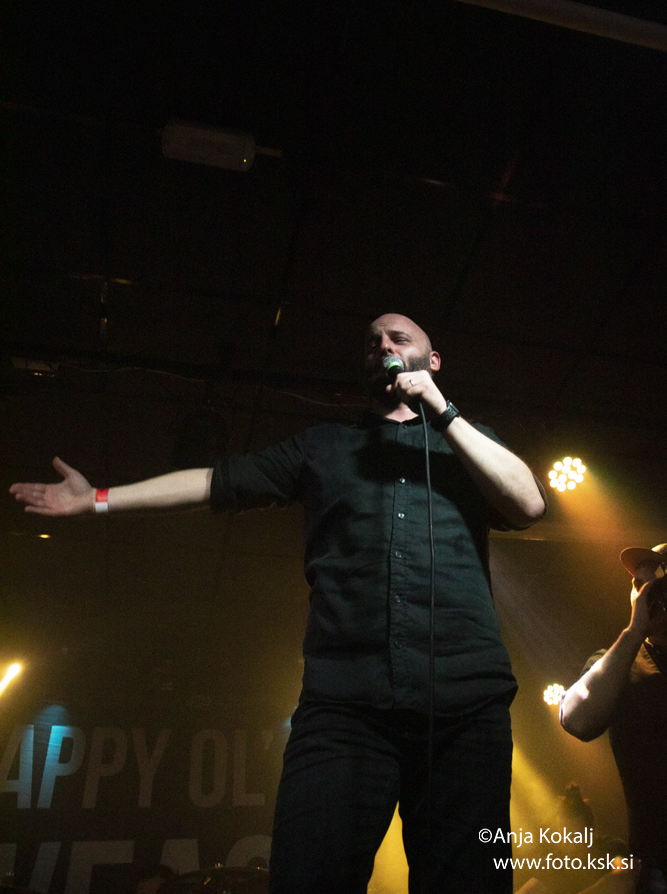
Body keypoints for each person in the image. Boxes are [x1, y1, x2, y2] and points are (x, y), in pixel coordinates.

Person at [10, 313, 546, 894]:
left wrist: (441, 410)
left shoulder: (469, 440)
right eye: (372, 342)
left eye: (399, 338)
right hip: (345, 706)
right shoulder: (323, 446)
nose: (383, 346)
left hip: (465, 707)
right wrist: (97, 499)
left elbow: (529, 505)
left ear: (432, 360)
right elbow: (216, 482)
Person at [560, 542, 667, 894]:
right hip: (657, 864)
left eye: (657, 587)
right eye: (639, 584)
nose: (647, 594)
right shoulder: (618, 664)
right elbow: (575, 720)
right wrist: (635, 631)